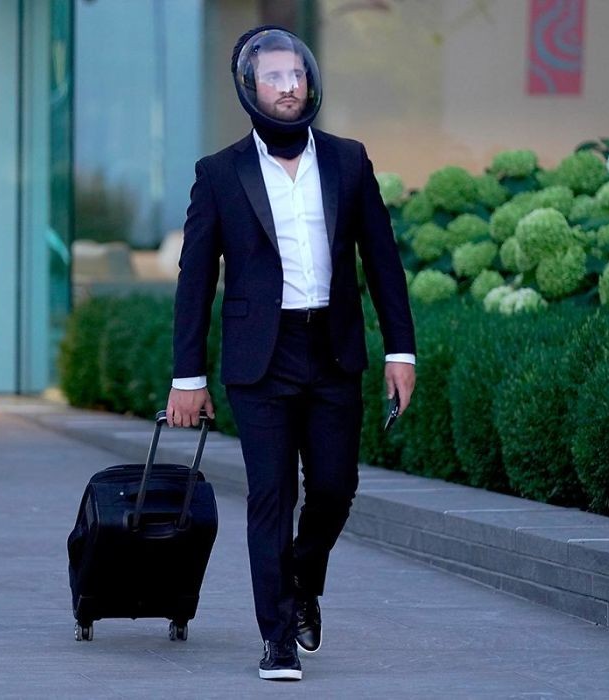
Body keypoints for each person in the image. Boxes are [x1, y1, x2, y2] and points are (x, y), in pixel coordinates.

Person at [166, 25, 416, 681]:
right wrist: (188, 376)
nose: (287, 87)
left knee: (334, 488)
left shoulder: (348, 161)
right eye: (273, 77)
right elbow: (196, 280)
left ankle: (302, 578)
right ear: (250, 89)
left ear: (309, 81)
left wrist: (402, 352)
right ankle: (277, 638)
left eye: (295, 74)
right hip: (261, 360)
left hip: (333, 350)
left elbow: (383, 262)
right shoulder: (220, 174)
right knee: (271, 497)